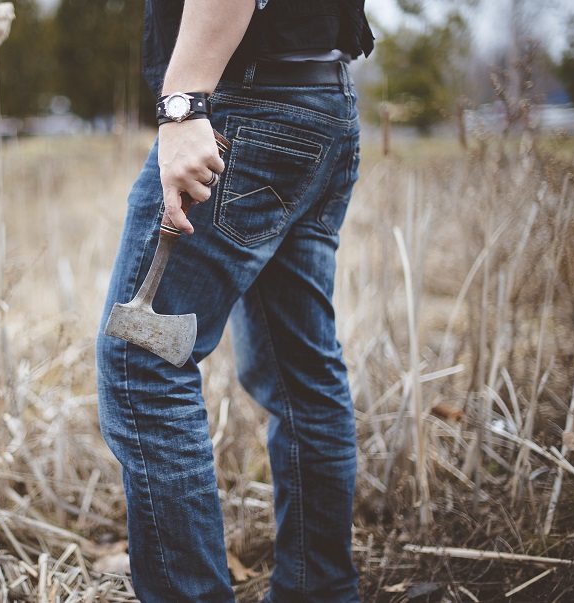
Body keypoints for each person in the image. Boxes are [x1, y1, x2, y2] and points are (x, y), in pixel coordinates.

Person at [96, 1, 374, 601]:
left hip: (247, 110)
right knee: (301, 372)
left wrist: (183, 104)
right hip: (323, 106)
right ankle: (321, 591)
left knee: (142, 363)